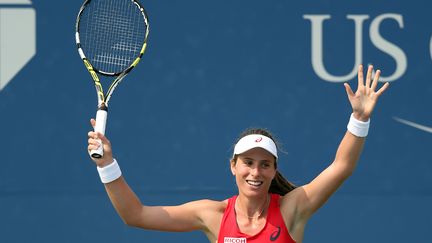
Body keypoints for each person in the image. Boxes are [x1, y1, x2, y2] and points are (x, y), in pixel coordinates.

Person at [87, 64, 389, 243]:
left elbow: (342, 166)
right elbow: (135, 215)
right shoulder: (212, 215)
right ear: (233, 166)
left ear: (273, 170)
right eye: (248, 163)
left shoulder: (292, 208)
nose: (255, 172)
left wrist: (359, 119)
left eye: (264, 165)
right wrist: (107, 165)